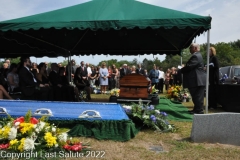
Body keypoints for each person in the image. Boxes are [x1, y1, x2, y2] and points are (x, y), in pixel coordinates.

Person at [181, 43, 206, 114]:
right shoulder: (197, 55)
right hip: (198, 79)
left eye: (191, 47)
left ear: (195, 48)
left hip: (197, 79)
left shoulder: (195, 56)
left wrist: (181, 70)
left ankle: (199, 110)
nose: (189, 49)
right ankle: (196, 109)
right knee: (196, 95)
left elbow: (189, 67)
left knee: (197, 96)